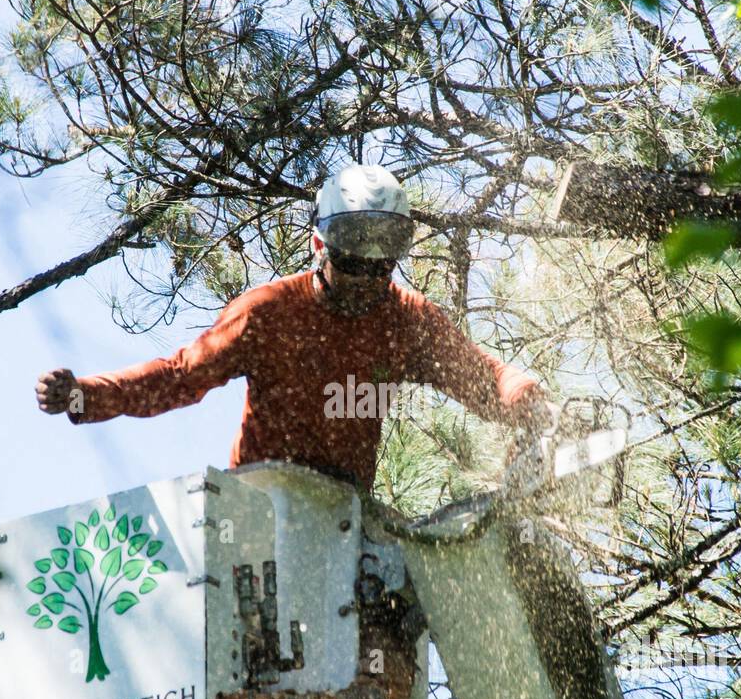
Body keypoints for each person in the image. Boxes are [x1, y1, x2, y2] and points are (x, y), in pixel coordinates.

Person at [36, 162, 556, 492]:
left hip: (344, 516)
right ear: (319, 247)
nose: (364, 280)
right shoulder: (269, 313)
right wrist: (86, 396)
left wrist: (532, 401)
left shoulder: (406, 320)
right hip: (261, 508)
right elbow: (179, 376)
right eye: (352, 261)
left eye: (380, 266)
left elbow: (484, 377)